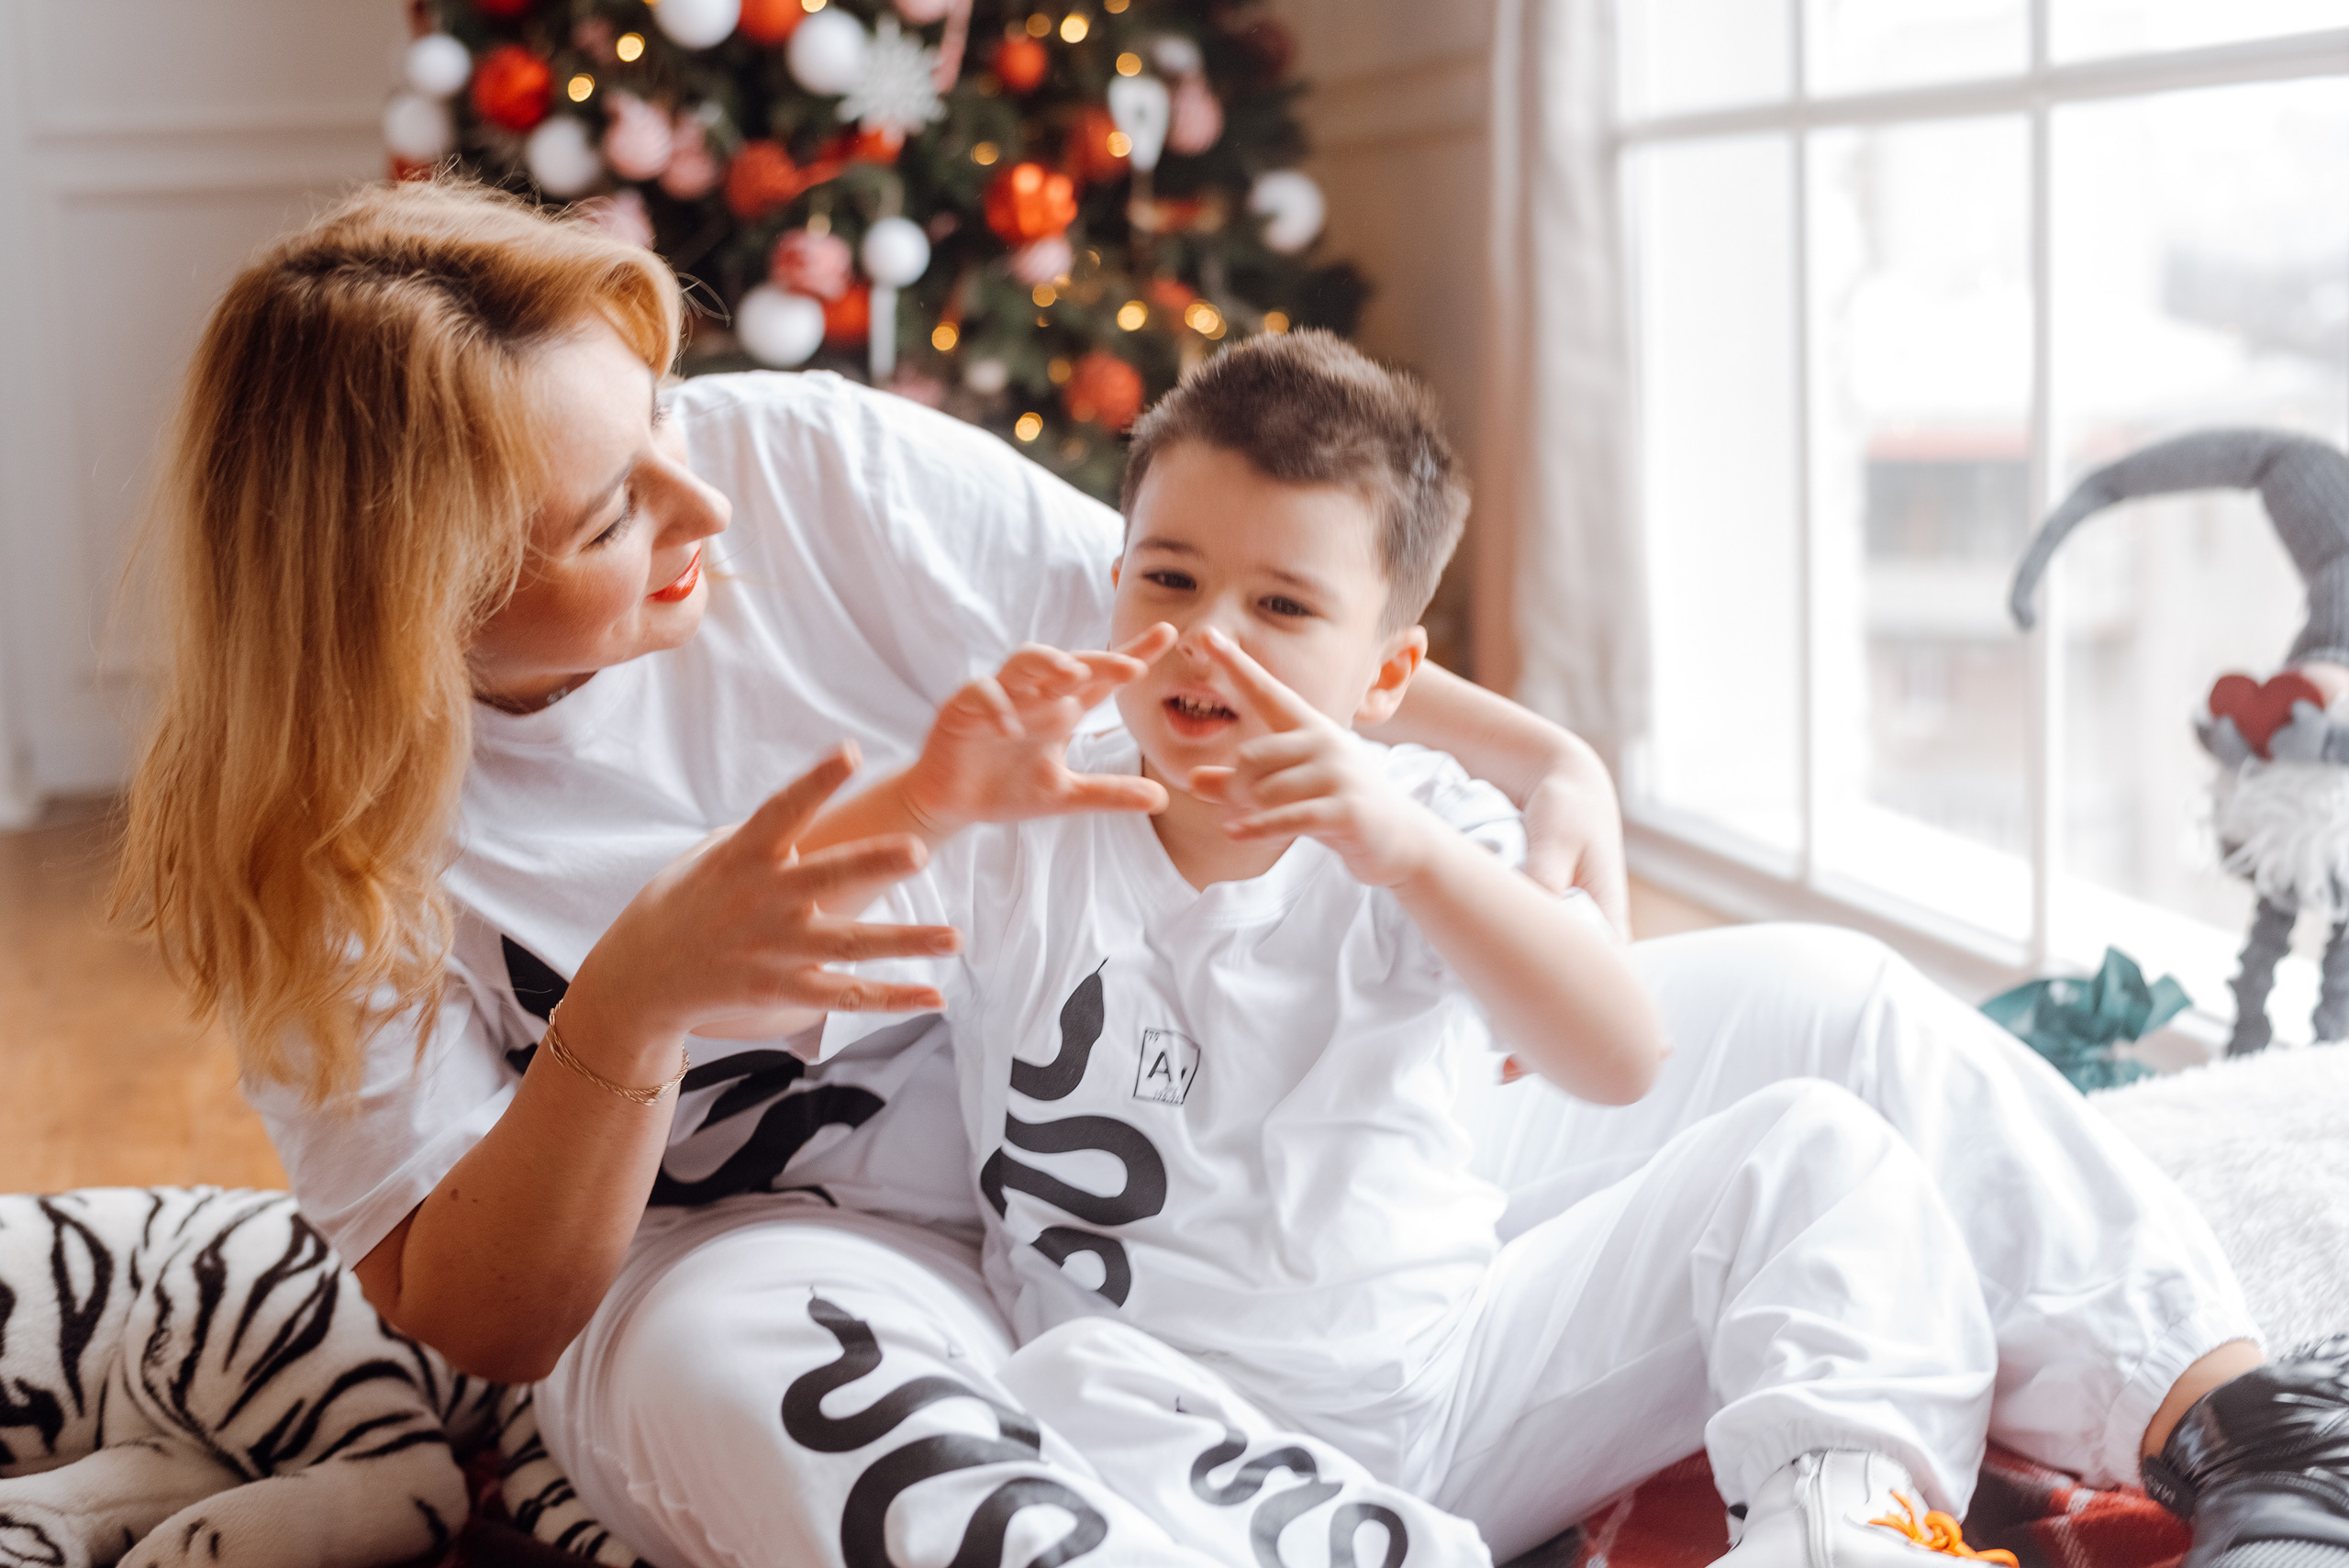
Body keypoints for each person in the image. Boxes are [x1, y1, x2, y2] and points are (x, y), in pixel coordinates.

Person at [111, 177, 2345, 1568]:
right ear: (411, 596)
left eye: (666, 428)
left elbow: (1207, 609)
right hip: (824, 1269)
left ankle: (2234, 1422)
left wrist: (1511, 750)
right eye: (611, 519)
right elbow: (484, 1315)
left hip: (1202, 1160)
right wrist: (628, 1016)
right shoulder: (319, 850)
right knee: (743, 1376)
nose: (708, 511)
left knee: (1830, 1016)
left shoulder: (800, 474)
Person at [791, 329, 2012, 1568]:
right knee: (1065, 1381)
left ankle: (1837, 1531)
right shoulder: (1027, 813)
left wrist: (1412, 854)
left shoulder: (1428, 824)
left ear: (1387, 675)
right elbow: (769, 956)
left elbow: (1619, 1057)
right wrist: (922, 800)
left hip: (1436, 1389)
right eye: (1169, 580)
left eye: (1281, 605)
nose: (1210, 635)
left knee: (1822, 1152)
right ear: (1114, 587)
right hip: (1162, 1424)